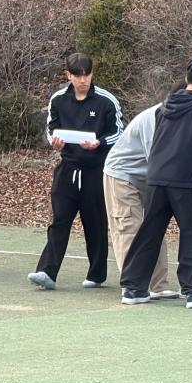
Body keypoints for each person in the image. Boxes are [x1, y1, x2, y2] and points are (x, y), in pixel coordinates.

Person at [120, 56, 192, 309]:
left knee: (150, 232)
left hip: (157, 176)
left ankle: (133, 288)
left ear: (187, 78)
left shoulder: (166, 105)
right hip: (186, 179)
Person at [28, 52, 123, 290]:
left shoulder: (106, 100)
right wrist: (54, 141)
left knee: (95, 223)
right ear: (68, 75)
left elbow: (119, 132)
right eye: (78, 76)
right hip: (67, 168)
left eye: (87, 75)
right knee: (59, 220)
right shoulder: (58, 99)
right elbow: (51, 129)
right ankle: (47, 271)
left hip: (96, 171)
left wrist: (100, 142)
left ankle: (97, 274)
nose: (83, 80)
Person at [102, 96, 178, 300]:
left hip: (150, 177)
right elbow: (155, 158)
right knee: (128, 228)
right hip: (122, 175)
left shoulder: (183, 118)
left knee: (154, 227)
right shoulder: (154, 118)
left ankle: (158, 285)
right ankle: (133, 285)